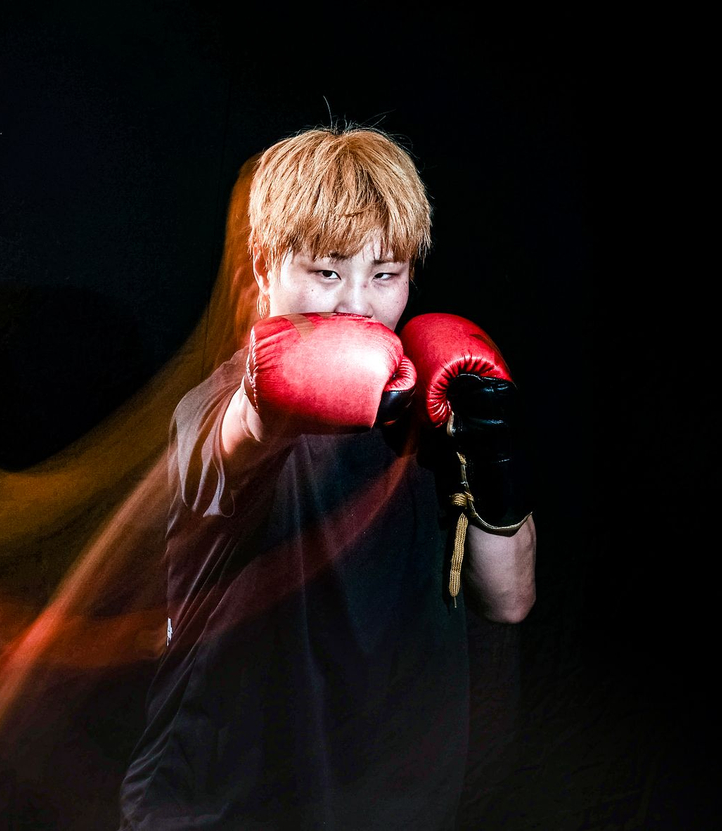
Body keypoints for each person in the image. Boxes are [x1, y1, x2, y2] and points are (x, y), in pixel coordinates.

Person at [119, 126, 537, 829]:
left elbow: (511, 600)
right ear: (263, 271)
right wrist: (268, 394)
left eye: (384, 274)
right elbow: (238, 436)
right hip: (222, 804)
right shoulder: (216, 411)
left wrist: (491, 463)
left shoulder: (434, 410)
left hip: (385, 805)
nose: (356, 304)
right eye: (326, 271)